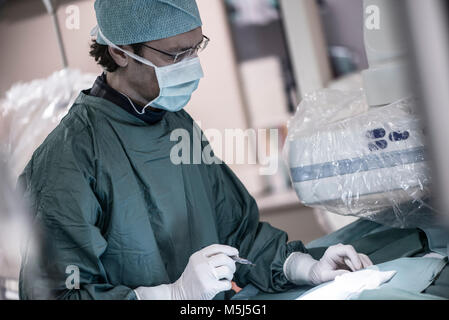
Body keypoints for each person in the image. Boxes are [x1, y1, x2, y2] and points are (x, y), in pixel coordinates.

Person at [18, 0, 372, 300]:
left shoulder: (177, 124)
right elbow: (60, 292)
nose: (192, 66)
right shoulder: (69, 159)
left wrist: (304, 267)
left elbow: (238, 234)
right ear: (119, 52)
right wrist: (171, 294)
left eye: (195, 48)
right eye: (175, 55)